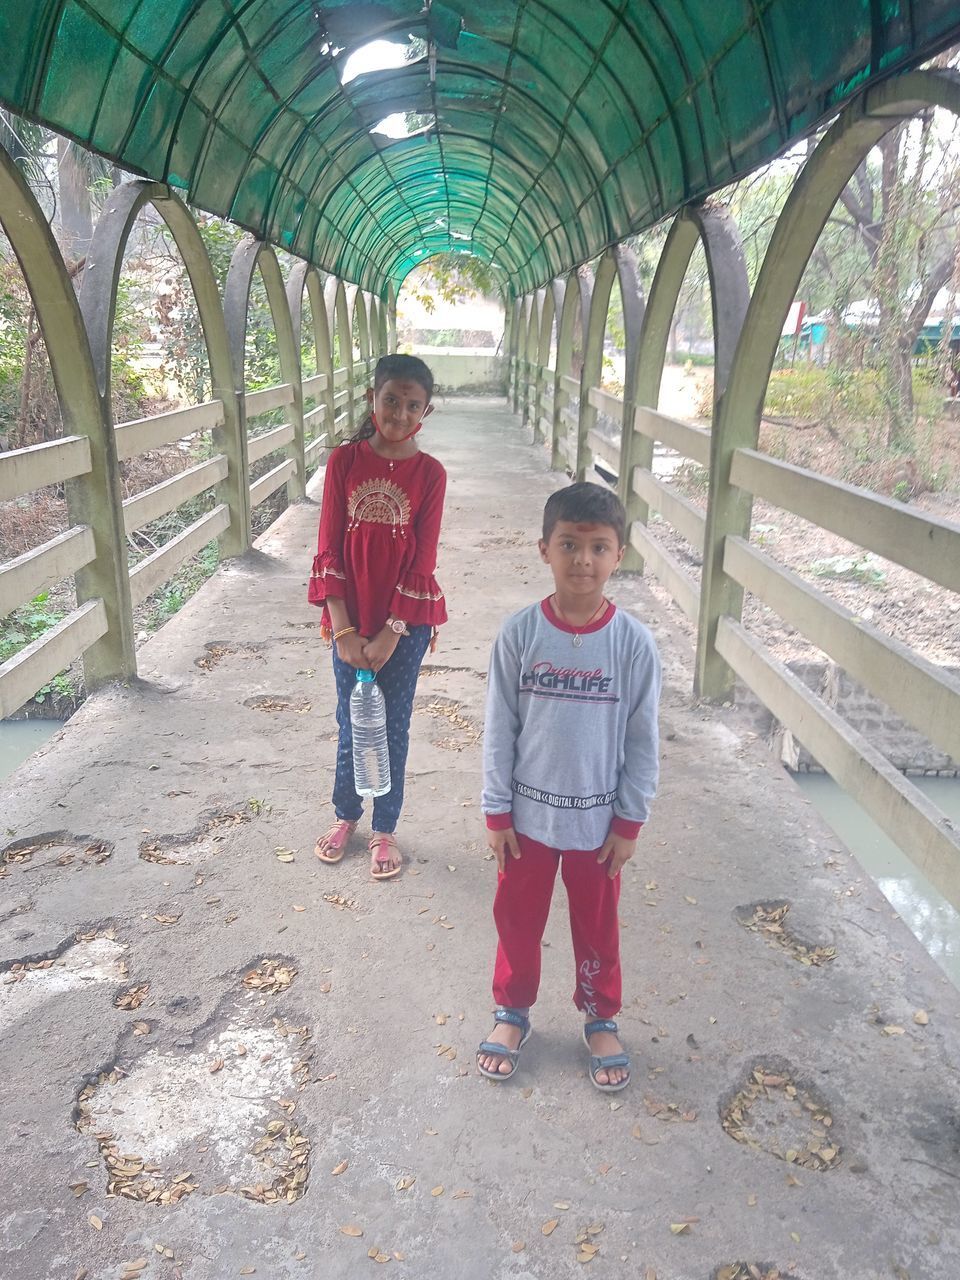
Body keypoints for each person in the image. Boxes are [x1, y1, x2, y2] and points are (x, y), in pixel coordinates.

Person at [477, 482, 661, 1092]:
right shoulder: (520, 635)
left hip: (598, 827)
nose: (583, 559)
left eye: (598, 547)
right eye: (569, 544)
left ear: (620, 554)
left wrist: (629, 821)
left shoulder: (632, 645)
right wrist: (496, 812)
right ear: (544, 550)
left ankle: (600, 1014)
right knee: (518, 920)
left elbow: (642, 739)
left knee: (597, 923)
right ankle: (512, 1011)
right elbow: (499, 728)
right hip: (526, 823)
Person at [308, 354, 446, 880]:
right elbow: (328, 549)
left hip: (403, 623)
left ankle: (385, 827)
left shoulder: (430, 474)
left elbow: (423, 560)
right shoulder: (344, 462)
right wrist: (342, 627)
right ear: (373, 399)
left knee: (392, 723)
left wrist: (392, 631)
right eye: (391, 400)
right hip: (349, 617)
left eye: (412, 405)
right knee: (351, 719)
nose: (399, 413)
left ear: (424, 412)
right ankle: (347, 816)